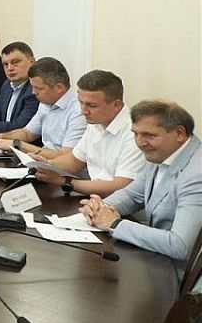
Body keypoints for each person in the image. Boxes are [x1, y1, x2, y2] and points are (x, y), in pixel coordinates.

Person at [79, 99, 201, 267]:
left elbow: (180, 245)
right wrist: (99, 208)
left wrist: (115, 224)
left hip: (181, 272)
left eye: (149, 135)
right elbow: (132, 195)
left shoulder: (196, 174)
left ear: (180, 133)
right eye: (135, 134)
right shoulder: (161, 153)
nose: (140, 143)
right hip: (158, 258)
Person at [33, 70, 144, 198]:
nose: (83, 111)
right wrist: (46, 165)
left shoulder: (135, 133)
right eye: (81, 103)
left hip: (119, 203)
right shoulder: (96, 123)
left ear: (116, 105)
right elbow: (74, 160)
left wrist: (64, 182)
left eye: (92, 105)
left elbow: (121, 187)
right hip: (95, 198)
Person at [0, 57, 86, 160]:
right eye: (33, 87)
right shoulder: (45, 104)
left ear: (59, 88)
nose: (33, 92)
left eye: (39, 88)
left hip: (60, 169)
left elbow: (65, 157)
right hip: (42, 164)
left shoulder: (78, 112)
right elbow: (27, 133)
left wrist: (16, 144)